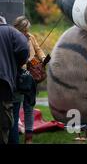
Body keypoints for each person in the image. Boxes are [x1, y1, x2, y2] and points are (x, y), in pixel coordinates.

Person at [11, 16, 45, 144]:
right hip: (17, 76)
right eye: (24, 30)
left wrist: (42, 58)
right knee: (15, 106)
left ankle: (29, 138)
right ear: (19, 29)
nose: (26, 32)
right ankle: (13, 135)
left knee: (29, 106)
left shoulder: (31, 37)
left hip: (31, 76)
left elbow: (38, 49)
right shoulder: (12, 38)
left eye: (27, 29)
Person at [0, 15, 29, 144]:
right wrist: (17, 65)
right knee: (5, 121)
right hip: (4, 83)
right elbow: (23, 49)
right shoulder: (12, 32)